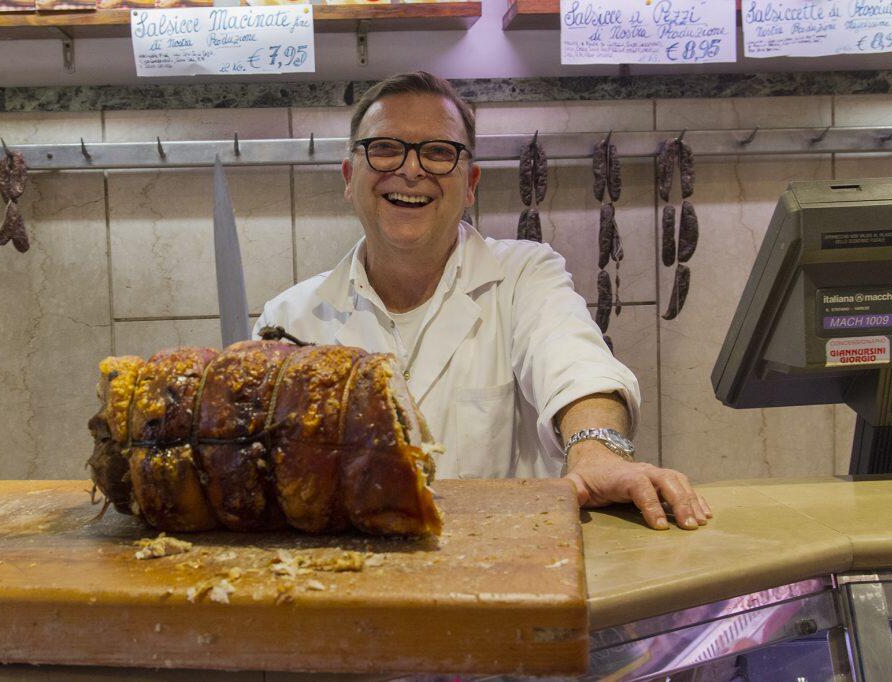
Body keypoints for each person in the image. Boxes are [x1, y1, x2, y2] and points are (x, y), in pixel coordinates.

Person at [253, 71, 711, 531]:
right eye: (386, 148)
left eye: (438, 152)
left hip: (511, 566)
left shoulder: (523, 275)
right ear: (350, 177)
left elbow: (577, 366)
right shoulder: (290, 320)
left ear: (470, 184)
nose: (411, 170)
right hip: (354, 577)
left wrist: (597, 451)